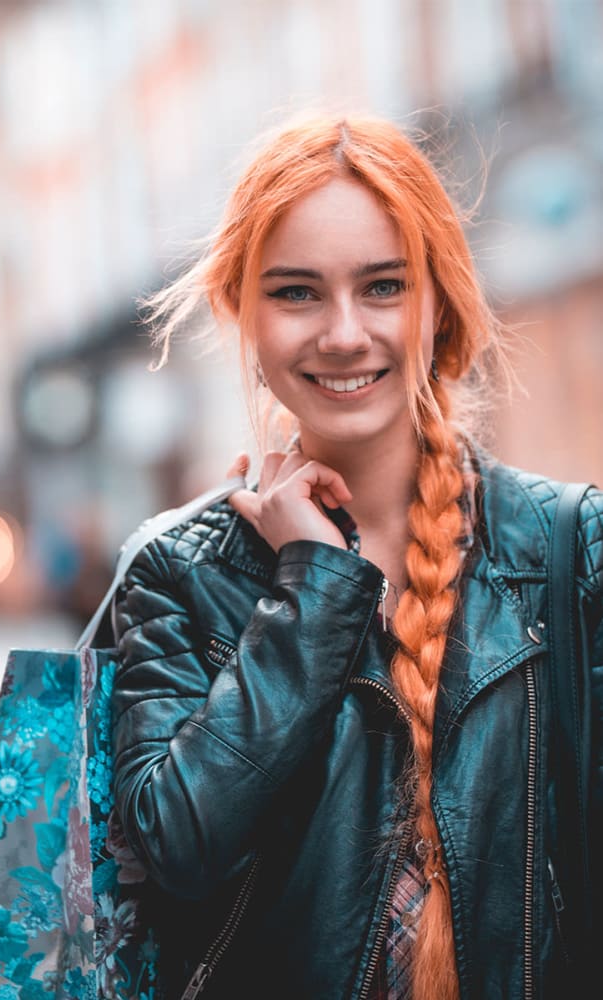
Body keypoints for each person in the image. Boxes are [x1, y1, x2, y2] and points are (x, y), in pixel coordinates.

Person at [110, 112, 601, 1000]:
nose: (342, 333)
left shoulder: (571, 550)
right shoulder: (177, 572)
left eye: (381, 287)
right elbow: (178, 848)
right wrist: (312, 595)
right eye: (296, 293)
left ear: (438, 303)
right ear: (240, 314)